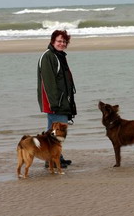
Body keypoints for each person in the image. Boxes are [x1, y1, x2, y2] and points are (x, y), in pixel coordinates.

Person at [37, 30, 77, 168]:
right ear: (53, 41)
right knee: (58, 131)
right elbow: (48, 83)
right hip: (55, 102)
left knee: (51, 131)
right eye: (59, 41)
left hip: (62, 100)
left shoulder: (59, 56)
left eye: (64, 42)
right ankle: (52, 159)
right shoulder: (48, 57)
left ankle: (55, 156)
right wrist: (55, 103)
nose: (62, 44)